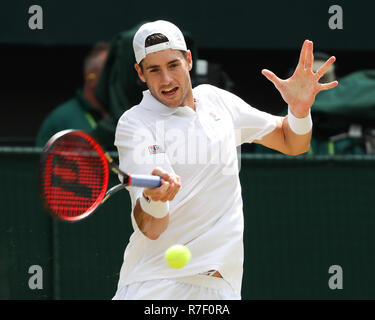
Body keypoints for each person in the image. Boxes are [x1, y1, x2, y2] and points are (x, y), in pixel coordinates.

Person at [112, 20, 338, 300]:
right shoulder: (135, 124)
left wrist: (299, 110)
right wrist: (155, 199)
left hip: (221, 288)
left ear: (189, 60)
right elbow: (152, 227)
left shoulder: (218, 102)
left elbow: (292, 142)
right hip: (155, 285)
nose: (167, 80)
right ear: (140, 73)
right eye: (154, 70)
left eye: (173, 65)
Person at [35, 42, 110, 147]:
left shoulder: (125, 116)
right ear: (91, 78)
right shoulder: (60, 120)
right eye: (110, 73)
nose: (117, 81)